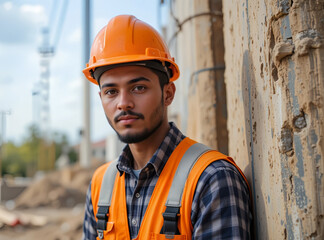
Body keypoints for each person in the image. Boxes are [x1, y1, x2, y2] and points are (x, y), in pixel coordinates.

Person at [82, 15, 252, 240]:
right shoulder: (100, 184)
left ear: (168, 93)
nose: (123, 102)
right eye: (111, 91)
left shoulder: (212, 179)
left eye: (138, 87)